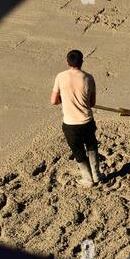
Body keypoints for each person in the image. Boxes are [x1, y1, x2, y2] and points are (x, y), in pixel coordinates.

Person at [51, 49, 101, 186]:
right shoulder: (89, 78)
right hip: (87, 121)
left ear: (67, 62)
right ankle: (97, 175)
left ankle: (88, 179)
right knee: (91, 145)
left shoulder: (60, 77)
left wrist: (65, 99)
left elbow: (53, 101)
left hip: (71, 124)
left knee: (78, 151)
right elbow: (92, 103)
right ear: (82, 62)